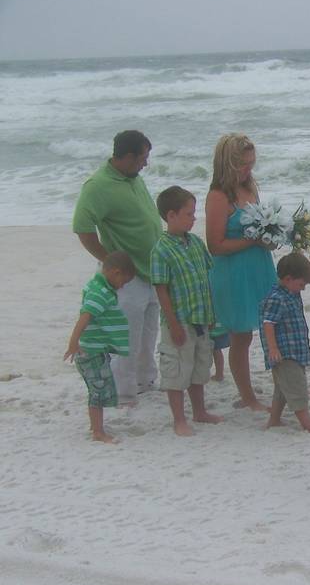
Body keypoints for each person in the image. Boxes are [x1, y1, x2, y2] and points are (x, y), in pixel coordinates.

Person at [72, 130, 162, 405]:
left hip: (152, 270)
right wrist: (111, 262)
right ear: (127, 156)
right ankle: (123, 393)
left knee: (149, 332)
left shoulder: (133, 177)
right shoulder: (98, 185)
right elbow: (83, 228)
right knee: (127, 337)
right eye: (142, 158)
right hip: (127, 275)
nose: (145, 164)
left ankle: (145, 381)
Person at [205, 133, 277, 411]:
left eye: (251, 163)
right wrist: (252, 241)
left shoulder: (250, 188)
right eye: (243, 164)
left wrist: (271, 235)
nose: (249, 169)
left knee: (272, 327)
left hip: (260, 266)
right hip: (233, 273)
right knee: (241, 336)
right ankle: (247, 396)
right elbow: (215, 245)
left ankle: (284, 385)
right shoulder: (218, 196)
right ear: (228, 164)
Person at [150, 186, 224, 436]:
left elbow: (207, 278)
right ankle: (178, 419)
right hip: (179, 320)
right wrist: (173, 323)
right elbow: (161, 289)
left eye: (194, 214)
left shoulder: (195, 243)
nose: (193, 219)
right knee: (176, 370)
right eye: (189, 214)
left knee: (199, 367)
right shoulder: (161, 249)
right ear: (171, 216)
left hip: (201, 317)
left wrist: (212, 314)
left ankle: (199, 411)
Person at [63, 251, 137, 443]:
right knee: (98, 391)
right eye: (124, 282)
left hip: (96, 349)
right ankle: (97, 431)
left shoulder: (97, 285)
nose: (122, 287)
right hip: (91, 352)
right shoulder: (100, 292)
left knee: (98, 388)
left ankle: (95, 425)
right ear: (115, 273)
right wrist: (73, 343)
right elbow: (85, 315)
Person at [261, 252, 310, 433]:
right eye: (301, 284)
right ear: (288, 279)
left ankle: (274, 420)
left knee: (282, 388)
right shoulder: (277, 297)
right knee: (296, 388)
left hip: (295, 349)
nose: (303, 289)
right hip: (284, 353)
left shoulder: (292, 293)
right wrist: (273, 348)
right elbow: (268, 324)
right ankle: (308, 426)